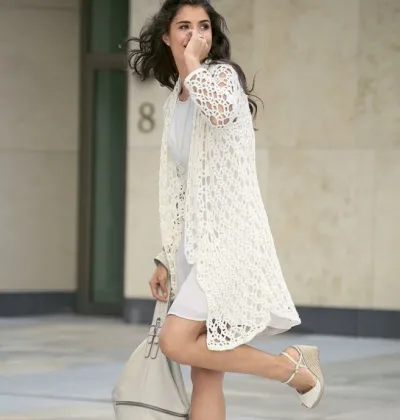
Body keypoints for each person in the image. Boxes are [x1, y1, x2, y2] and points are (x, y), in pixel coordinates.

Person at [127, 0, 324, 418]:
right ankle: (295, 368)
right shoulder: (175, 100)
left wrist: (193, 65)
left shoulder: (220, 79)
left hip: (228, 246)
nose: (195, 34)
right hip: (194, 248)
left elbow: (218, 113)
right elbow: (184, 188)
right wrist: (166, 256)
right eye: (184, 26)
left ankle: (292, 369)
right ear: (166, 36)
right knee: (205, 373)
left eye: (203, 26)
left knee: (176, 342)